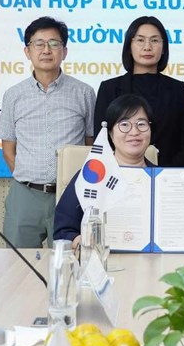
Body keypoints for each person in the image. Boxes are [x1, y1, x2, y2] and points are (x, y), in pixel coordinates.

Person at [0, 16, 95, 248]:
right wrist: (28, 178)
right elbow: (8, 149)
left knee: (69, 263)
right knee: (18, 263)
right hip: (25, 196)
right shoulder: (13, 95)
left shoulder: (84, 93)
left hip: (69, 196)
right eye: (39, 44)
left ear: (64, 51)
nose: (46, 50)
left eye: (54, 43)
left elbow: (90, 145)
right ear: (27, 51)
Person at [54, 94, 156, 244]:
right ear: (110, 133)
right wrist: (83, 241)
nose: (134, 132)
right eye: (124, 124)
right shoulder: (91, 176)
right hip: (102, 256)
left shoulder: (162, 179)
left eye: (141, 124)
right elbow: (63, 230)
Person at [93, 16, 184, 166]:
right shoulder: (109, 88)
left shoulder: (178, 89)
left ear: (164, 48)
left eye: (154, 40)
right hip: (120, 173)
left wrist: (167, 174)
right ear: (129, 46)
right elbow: (102, 139)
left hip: (168, 174)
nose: (147, 47)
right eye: (140, 40)